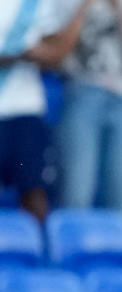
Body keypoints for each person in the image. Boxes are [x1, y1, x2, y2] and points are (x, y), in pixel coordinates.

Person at [49, 0, 122, 220]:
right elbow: (56, 54)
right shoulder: (63, 3)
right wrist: (83, 8)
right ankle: (72, 248)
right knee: (77, 188)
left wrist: (120, 10)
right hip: (82, 92)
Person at [0, 0, 81, 222]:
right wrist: (19, 54)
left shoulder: (35, 4)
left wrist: (29, 53)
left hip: (23, 110)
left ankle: (36, 252)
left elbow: (54, 54)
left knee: (33, 191)